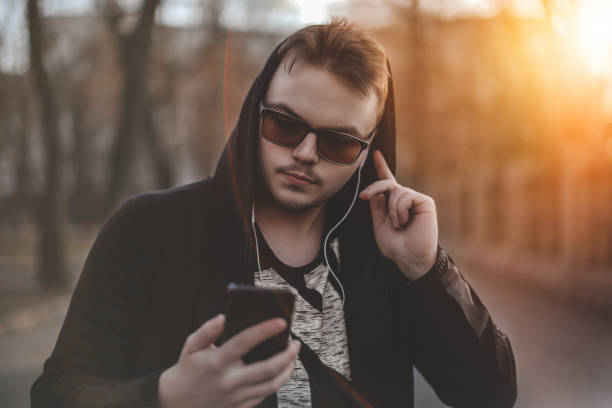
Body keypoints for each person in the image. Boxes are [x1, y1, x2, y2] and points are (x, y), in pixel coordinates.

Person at [31, 18, 517, 408]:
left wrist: (427, 270)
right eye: (284, 124)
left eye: (338, 142)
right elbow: (57, 394)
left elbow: (489, 395)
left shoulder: (387, 253)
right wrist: (165, 396)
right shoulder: (151, 229)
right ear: (254, 113)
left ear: (370, 153)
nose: (305, 152)